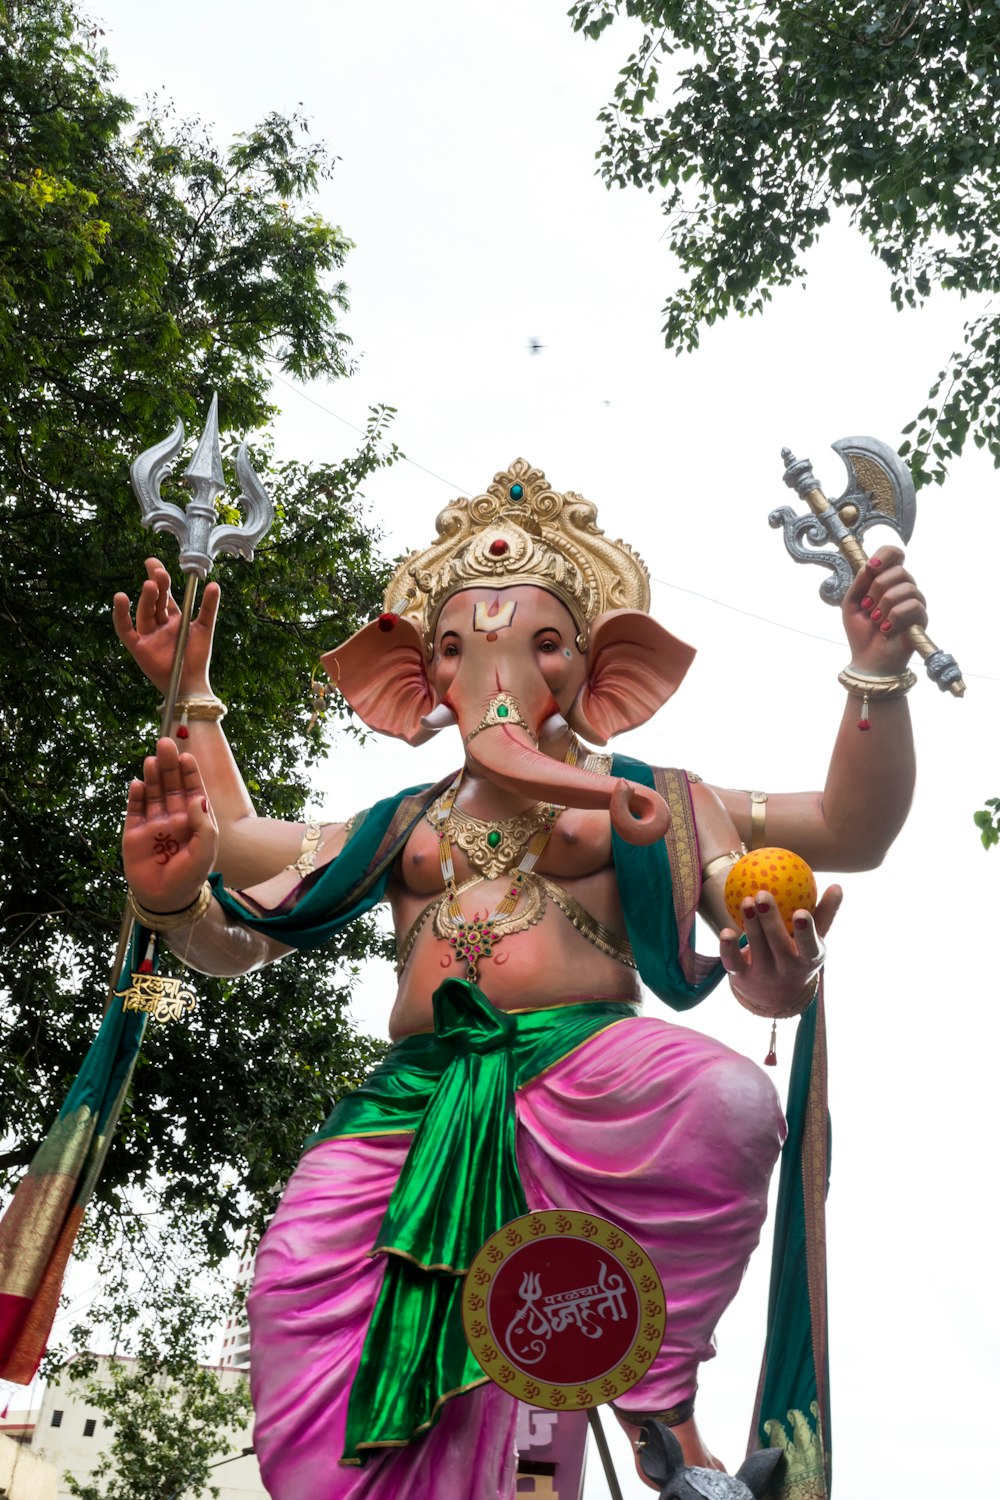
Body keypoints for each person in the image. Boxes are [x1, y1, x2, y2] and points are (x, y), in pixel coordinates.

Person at [115, 460, 926, 1498]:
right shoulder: (397, 826)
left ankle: (661, 1413)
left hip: (590, 1070)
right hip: (413, 1097)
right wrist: (180, 834)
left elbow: (848, 833)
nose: (494, 676)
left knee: (724, 1100)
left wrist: (875, 676)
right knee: (290, 1288)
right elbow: (235, 896)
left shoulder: (654, 801)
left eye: (539, 645)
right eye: (458, 650)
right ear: (415, 683)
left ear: (602, 676)